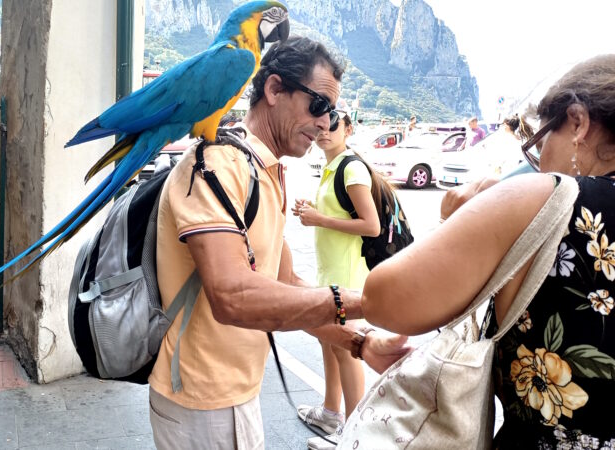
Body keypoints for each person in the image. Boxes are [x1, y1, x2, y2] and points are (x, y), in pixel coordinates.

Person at [147, 37, 409, 449]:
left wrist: (359, 342)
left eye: (333, 112)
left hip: (237, 394)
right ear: (273, 90)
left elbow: (285, 286)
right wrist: (361, 301)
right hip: (201, 401)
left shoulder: (265, 171)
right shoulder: (217, 166)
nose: (325, 123)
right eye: (319, 105)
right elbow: (232, 296)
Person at [363, 54, 615, 448]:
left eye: (539, 143)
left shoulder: (550, 197)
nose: (536, 163)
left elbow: (385, 299)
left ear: (578, 123)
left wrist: (476, 212)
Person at [292, 112, 398, 449]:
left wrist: (318, 218)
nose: (324, 131)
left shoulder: (351, 167)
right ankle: (330, 412)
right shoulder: (333, 166)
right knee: (330, 343)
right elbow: (339, 214)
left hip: (349, 278)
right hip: (332, 274)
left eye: (333, 126)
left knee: (347, 349)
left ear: (348, 130)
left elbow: (372, 226)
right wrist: (314, 213)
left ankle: (352, 434)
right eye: (319, 126)